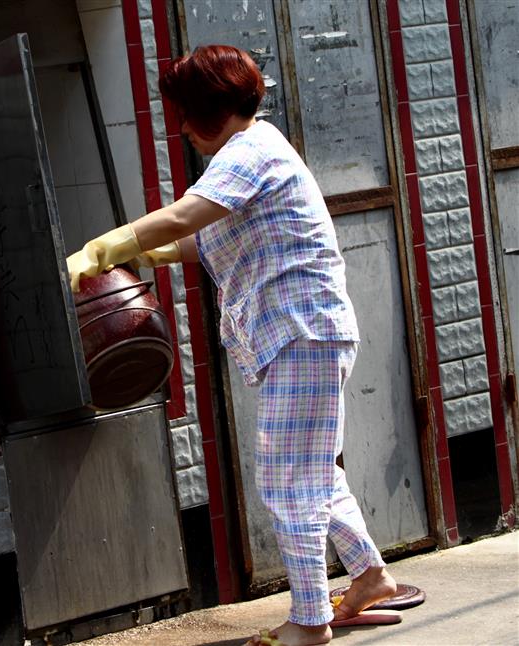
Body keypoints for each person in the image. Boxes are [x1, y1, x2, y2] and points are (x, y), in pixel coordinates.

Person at [66, 45, 397, 646]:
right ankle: (369, 576)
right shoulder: (251, 154)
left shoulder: (251, 149)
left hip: (301, 333)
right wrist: (151, 250)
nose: (183, 128)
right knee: (314, 470)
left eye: (189, 114)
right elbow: (204, 234)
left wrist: (105, 246)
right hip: (303, 335)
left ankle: (310, 619)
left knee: (287, 479)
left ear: (216, 108)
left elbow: (188, 215)